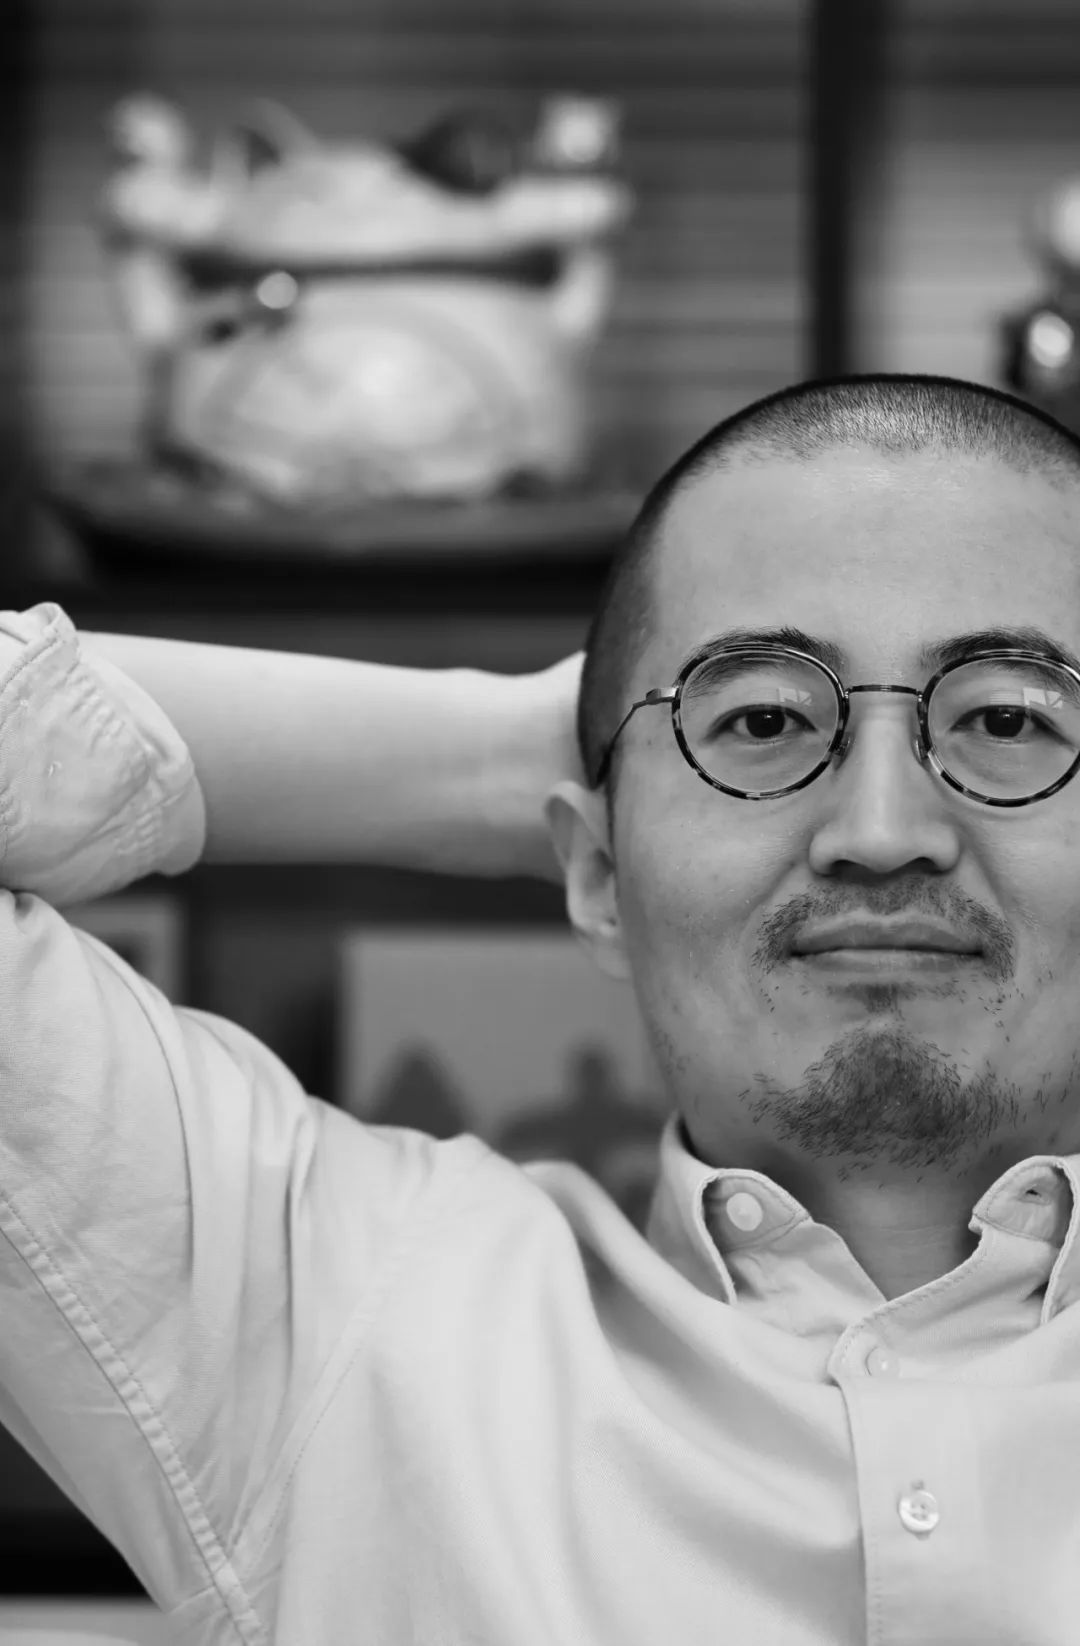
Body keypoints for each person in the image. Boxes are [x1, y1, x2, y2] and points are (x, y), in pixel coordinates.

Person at [3, 372, 1080, 1643]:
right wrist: (501, 753)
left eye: (1009, 716)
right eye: (762, 718)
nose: (883, 830)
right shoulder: (333, 1321)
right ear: (599, 876)